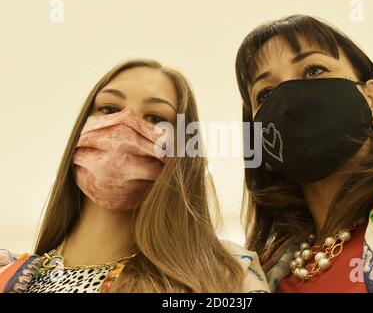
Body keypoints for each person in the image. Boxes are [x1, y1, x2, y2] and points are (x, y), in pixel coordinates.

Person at [0, 59, 269, 293]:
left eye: (154, 117)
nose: (125, 122)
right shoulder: (8, 274)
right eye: (108, 109)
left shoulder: (228, 273)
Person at [235, 14, 373, 292]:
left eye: (313, 70)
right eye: (265, 95)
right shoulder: (259, 273)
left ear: (371, 97)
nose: (289, 99)